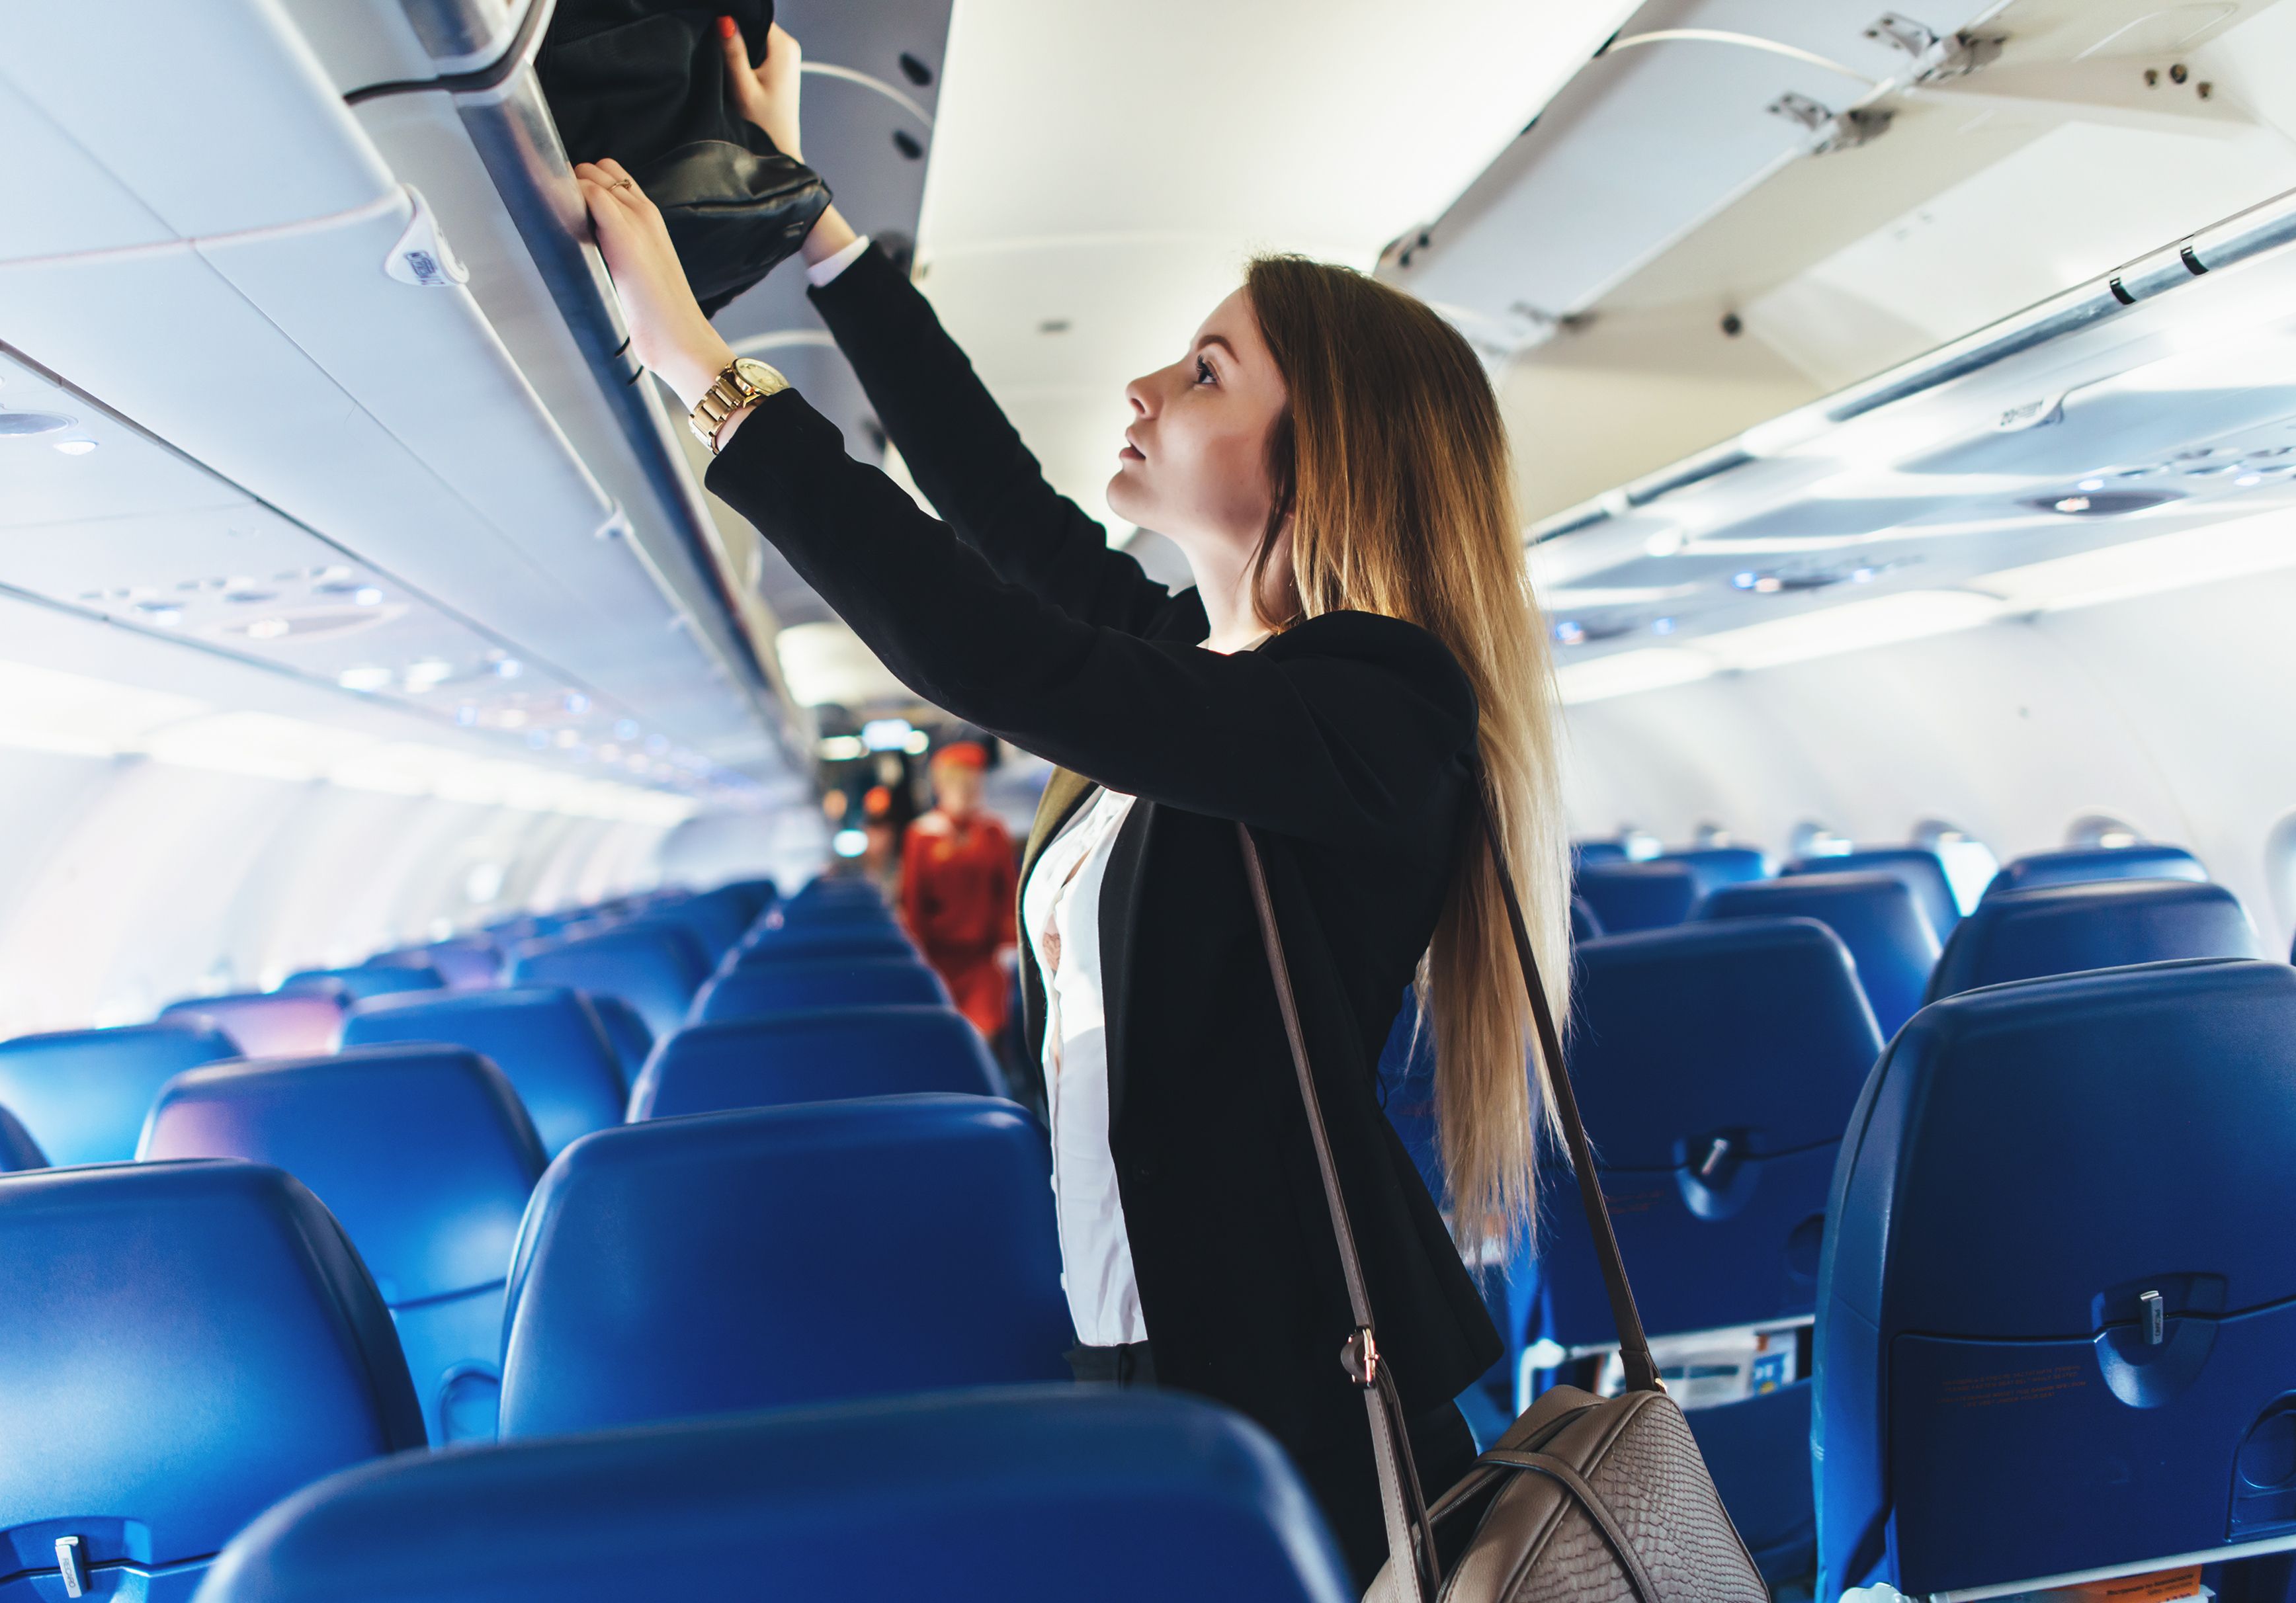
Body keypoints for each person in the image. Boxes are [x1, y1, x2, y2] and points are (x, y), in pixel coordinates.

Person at [575, 20, 1569, 1584]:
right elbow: (1004, 521)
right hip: (1131, 1332)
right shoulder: (1215, 670)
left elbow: (995, 652)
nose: (1146, 383)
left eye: (1206, 369)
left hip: (1301, 1374)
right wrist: (816, 228)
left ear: (1326, 454)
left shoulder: (1380, 710)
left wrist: (705, 371)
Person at [896, 741, 1019, 1040]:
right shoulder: (922, 835)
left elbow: (1008, 892)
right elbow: (914, 902)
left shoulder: (993, 832)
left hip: (984, 959)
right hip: (940, 959)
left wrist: (1009, 943)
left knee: (987, 1034)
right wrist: (919, 960)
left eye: (974, 784)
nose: (970, 793)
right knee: (947, 1037)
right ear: (942, 787)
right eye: (962, 785)